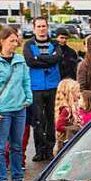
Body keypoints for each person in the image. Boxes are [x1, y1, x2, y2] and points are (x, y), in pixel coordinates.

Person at [0, 25, 33, 181]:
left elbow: (26, 81)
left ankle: (17, 176)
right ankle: (2, 180)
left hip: (20, 108)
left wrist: (28, 98)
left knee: (17, 145)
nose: (15, 43)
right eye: (12, 40)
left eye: (17, 40)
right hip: (2, 110)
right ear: (2, 41)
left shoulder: (20, 60)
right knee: (0, 147)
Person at [23, 16, 62, 162]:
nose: (41, 29)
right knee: (38, 120)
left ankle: (51, 148)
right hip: (36, 87)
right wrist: (47, 61)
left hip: (53, 86)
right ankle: (40, 150)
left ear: (47, 27)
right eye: (38, 26)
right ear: (34, 28)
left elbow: (57, 58)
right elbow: (30, 61)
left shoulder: (55, 43)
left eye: (43, 26)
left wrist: (39, 58)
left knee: (52, 119)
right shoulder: (28, 45)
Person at [53, 78, 82, 153]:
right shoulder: (66, 110)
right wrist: (72, 128)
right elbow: (59, 126)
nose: (79, 94)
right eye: (77, 92)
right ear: (70, 93)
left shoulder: (75, 106)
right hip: (66, 142)